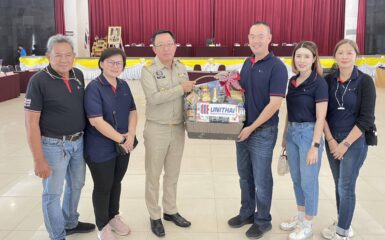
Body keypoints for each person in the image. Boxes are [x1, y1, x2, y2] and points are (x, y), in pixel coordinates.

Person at [24, 34, 95, 240]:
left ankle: (70, 222)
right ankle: (57, 235)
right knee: (53, 193)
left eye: (68, 55)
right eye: (58, 55)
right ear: (48, 56)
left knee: (77, 184)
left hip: (78, 142)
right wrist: (39, 160)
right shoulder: (38, 81)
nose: (64, 60)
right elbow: (30, 123)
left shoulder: (78, 75)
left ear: (74, 56)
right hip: (53, 145)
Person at [227, 21, 288, 239]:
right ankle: (246, 213)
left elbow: (274, 104)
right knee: (244, 176)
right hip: (242, 130)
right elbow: (241, 91)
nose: (256, 40)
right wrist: (227, 81)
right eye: (252, 36)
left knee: (261, 178)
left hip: (262, 131)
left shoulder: (277, 67)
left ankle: (263, 220)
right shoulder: (247, 62)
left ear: (270, 38)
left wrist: (251, 127)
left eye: (261, 36)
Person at [140, 29, 195, 237]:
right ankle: (155, 215)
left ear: (175, 45)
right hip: (157, 128)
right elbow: (154, 98)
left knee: (172, 174)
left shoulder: (181, 67)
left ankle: (170, 210)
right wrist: (181, 88)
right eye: (161, 44)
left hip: (178, 128)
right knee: (153, 175)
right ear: (153, 48)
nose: (166, 48)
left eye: (169, 43)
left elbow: (187, 96)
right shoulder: (148, 70)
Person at [322, 39, 376, 240]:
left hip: (353, 142)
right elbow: (322, 114)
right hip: (332, 141)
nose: (344, 56)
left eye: (349, 53)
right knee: (338, 184)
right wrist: (331, 141)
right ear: (335, 56)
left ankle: (343, 232)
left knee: (346, 185)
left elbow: (366, 119)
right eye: (340, 53)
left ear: (356, 56)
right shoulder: (328, 80)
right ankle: (343, 221)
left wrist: (344, 144)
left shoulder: (365, 82)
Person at [84, 48, 137, 240]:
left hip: (123, 145)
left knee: (116, 182)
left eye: (119, 63)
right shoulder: (94, 88)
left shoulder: (123, 85)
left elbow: (133, 111)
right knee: (103, 186)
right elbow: (96, 121)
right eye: (111, 62)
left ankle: (113, 216)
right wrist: (122, 139)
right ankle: (102, 224)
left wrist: (131, 134)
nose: (116, 66)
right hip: (100, 147)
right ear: (101, 64)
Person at [279, 41, 328, 240]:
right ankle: (299, 217)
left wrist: (314, 146)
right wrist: (284, 137)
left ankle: (307, 224)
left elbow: (321, 117)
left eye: (306, 56)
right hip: (292, 133)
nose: (301, 60)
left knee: (309, 181)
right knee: (296, 179)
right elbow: (289, 112)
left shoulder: (319, 82)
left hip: (309, 134)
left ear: (314, 58)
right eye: (298, 56)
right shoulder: (292, 81)